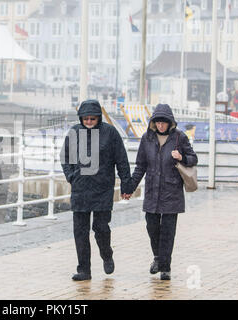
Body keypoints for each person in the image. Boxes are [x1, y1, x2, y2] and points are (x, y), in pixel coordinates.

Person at [60, 99, 133, 281]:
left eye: (93, 118)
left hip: (103, 188)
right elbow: (65, 157)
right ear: (81, 118)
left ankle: (107, 255)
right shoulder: (74, 133)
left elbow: (121, 160)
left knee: (100, 228)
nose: (90, 122)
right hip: (80, 189)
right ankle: (84, 270)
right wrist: (71, 176)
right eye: (86, 119)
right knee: (80, 231)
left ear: (99, 117)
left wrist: (126, 184)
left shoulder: (110, 133)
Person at [130, 104, 197, 280]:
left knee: (168, 231)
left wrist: (181, 157)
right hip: (152, 190)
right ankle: (159, 259)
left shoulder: (179, 138)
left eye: (164, 123)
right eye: (158, 123)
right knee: (152, 227)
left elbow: (193, 158)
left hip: (172, 191)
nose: (160, 126)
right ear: (153, 123)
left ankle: (165, 267)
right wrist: (130, 187)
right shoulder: (147, 138)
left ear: (170, 123)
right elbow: (140, 166)